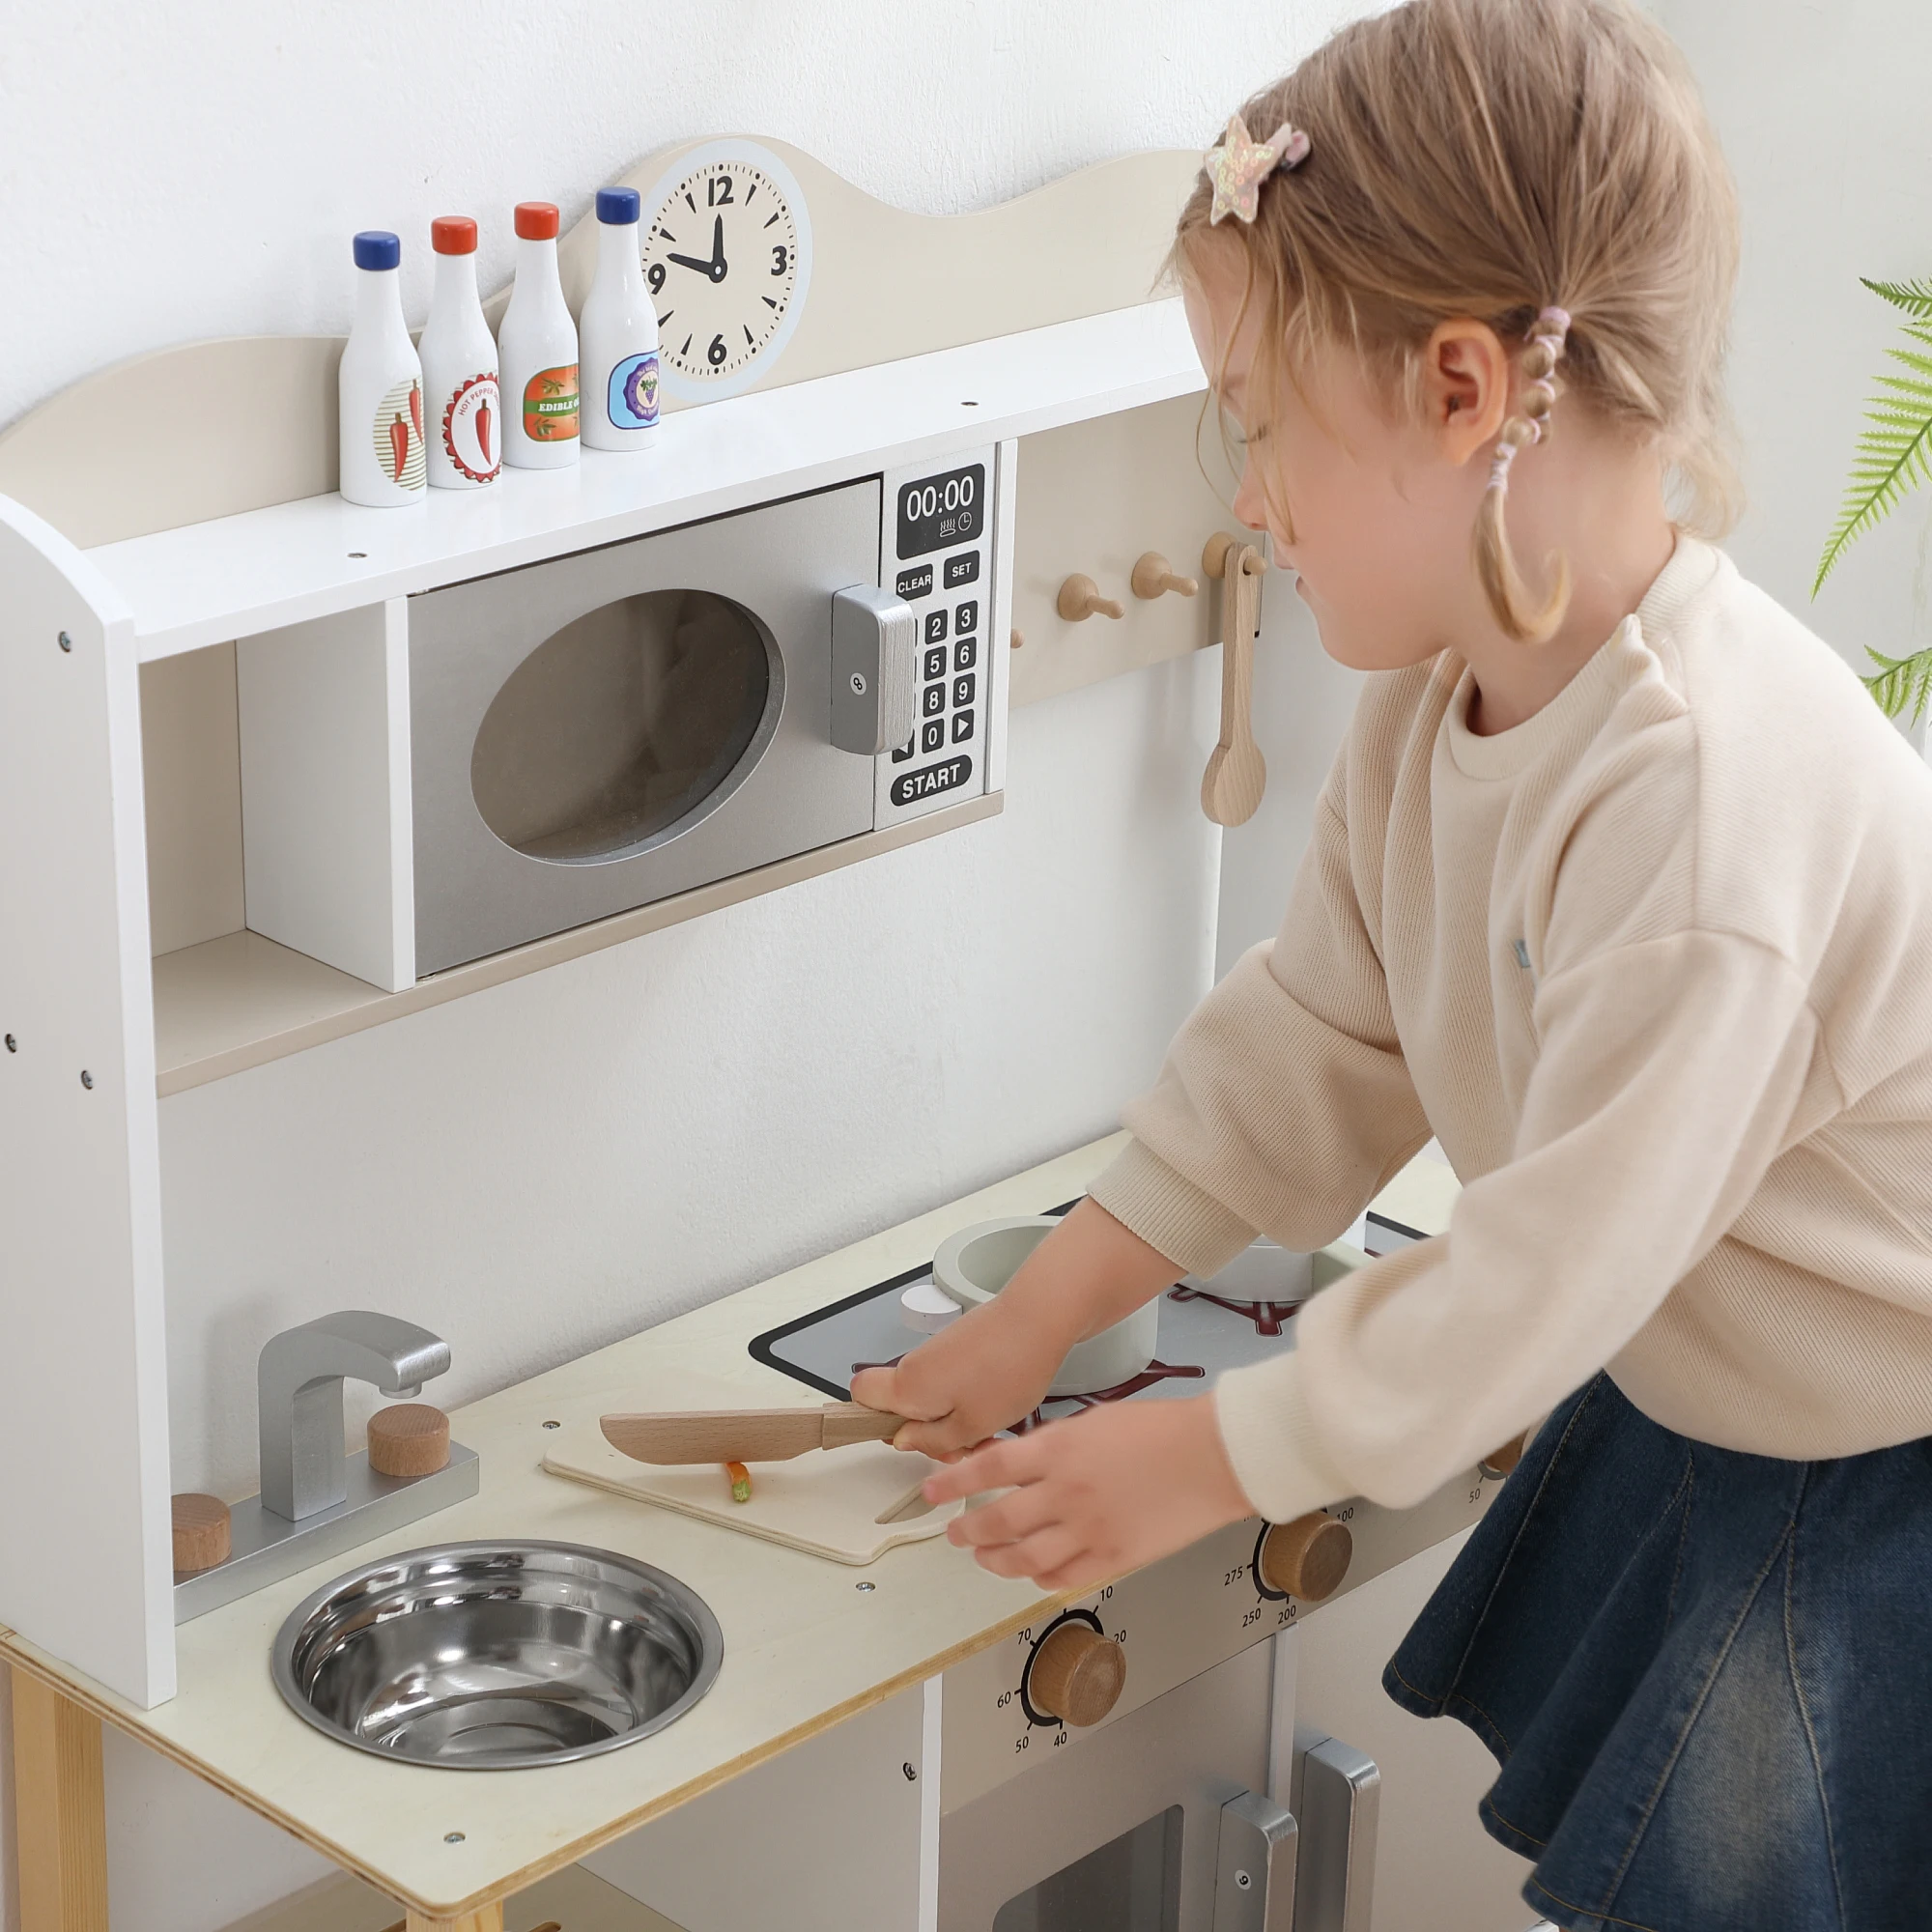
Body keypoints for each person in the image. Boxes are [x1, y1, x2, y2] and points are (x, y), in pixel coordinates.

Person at [851, 0, 1932, 1925]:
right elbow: (1313, 1042)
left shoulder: (1707, 806)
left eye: (1259, 424)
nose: (1243, 496)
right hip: (1720, 1383)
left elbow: (1546, 1262)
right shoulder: (1445, 704)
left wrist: (1208, 1457)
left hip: (1868, 1466)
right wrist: (1048, 1312)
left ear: (1458, 391)